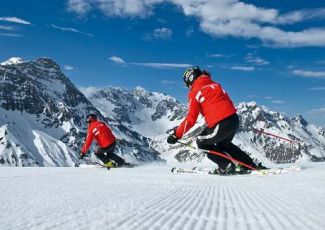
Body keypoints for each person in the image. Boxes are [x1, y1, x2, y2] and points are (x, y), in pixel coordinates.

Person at [167, 66, 266, 175]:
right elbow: (227, 102)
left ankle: (226, 166)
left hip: (221, 122)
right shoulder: (215, 85)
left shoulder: (194, 91)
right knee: (224, 145)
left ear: (190, 79)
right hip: (234, 119)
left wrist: (176, 135)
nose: (188, 87)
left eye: (187, 84)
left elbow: (191, 118)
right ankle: (248, 164)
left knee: (201, 142)